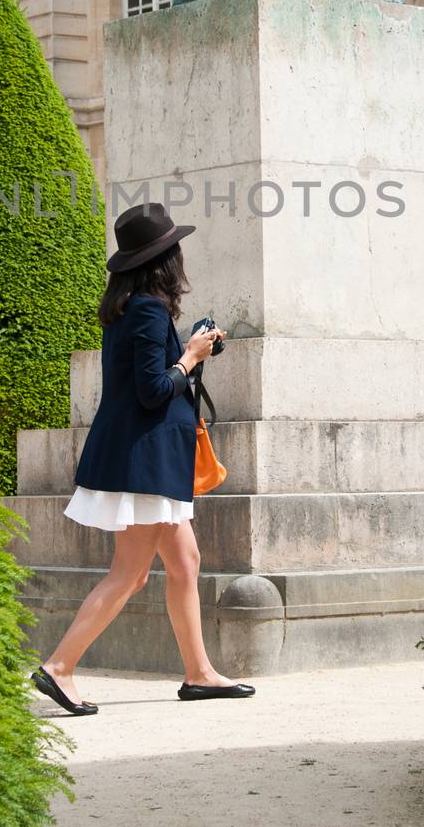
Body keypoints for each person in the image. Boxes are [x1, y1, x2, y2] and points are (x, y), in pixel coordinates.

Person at [30, 201, 256, 716]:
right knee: (130, 575)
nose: (181, 257)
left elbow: (152, 379)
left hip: (147, 459)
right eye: (175, 249)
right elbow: (155, 390)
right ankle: (60, 668)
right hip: (144, 462)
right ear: (164, 259)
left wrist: (196, 351)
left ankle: (199, 673)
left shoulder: (133, 307)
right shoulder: (149, 310)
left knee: (186, 562)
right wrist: (191, 356)